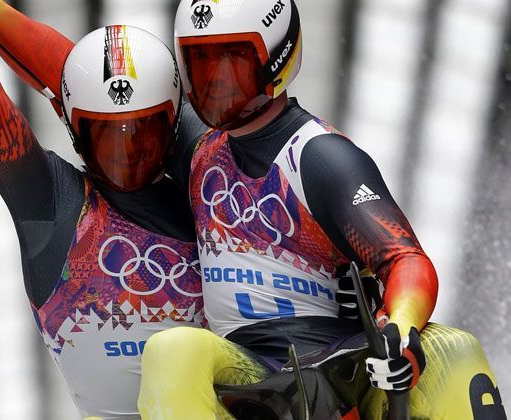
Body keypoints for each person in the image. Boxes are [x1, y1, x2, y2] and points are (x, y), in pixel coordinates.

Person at [138, 0, 507, 418]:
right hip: (247, 371)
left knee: (455, 350)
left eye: (231, 60)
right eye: (199, 62)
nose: (214, 82)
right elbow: (84, 80)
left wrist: (401, 330)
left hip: (340, 370)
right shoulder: (194, 144)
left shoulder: (321, 157)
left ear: (276, 58)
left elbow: (405, 260)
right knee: (171, 351)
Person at [0, 0, 205, 418]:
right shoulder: (55, 205)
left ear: (173, 124)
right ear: (74, 129)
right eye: (106, 137)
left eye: (142, 132)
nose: (126, 153)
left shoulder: (207, 184)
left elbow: (83, 82)